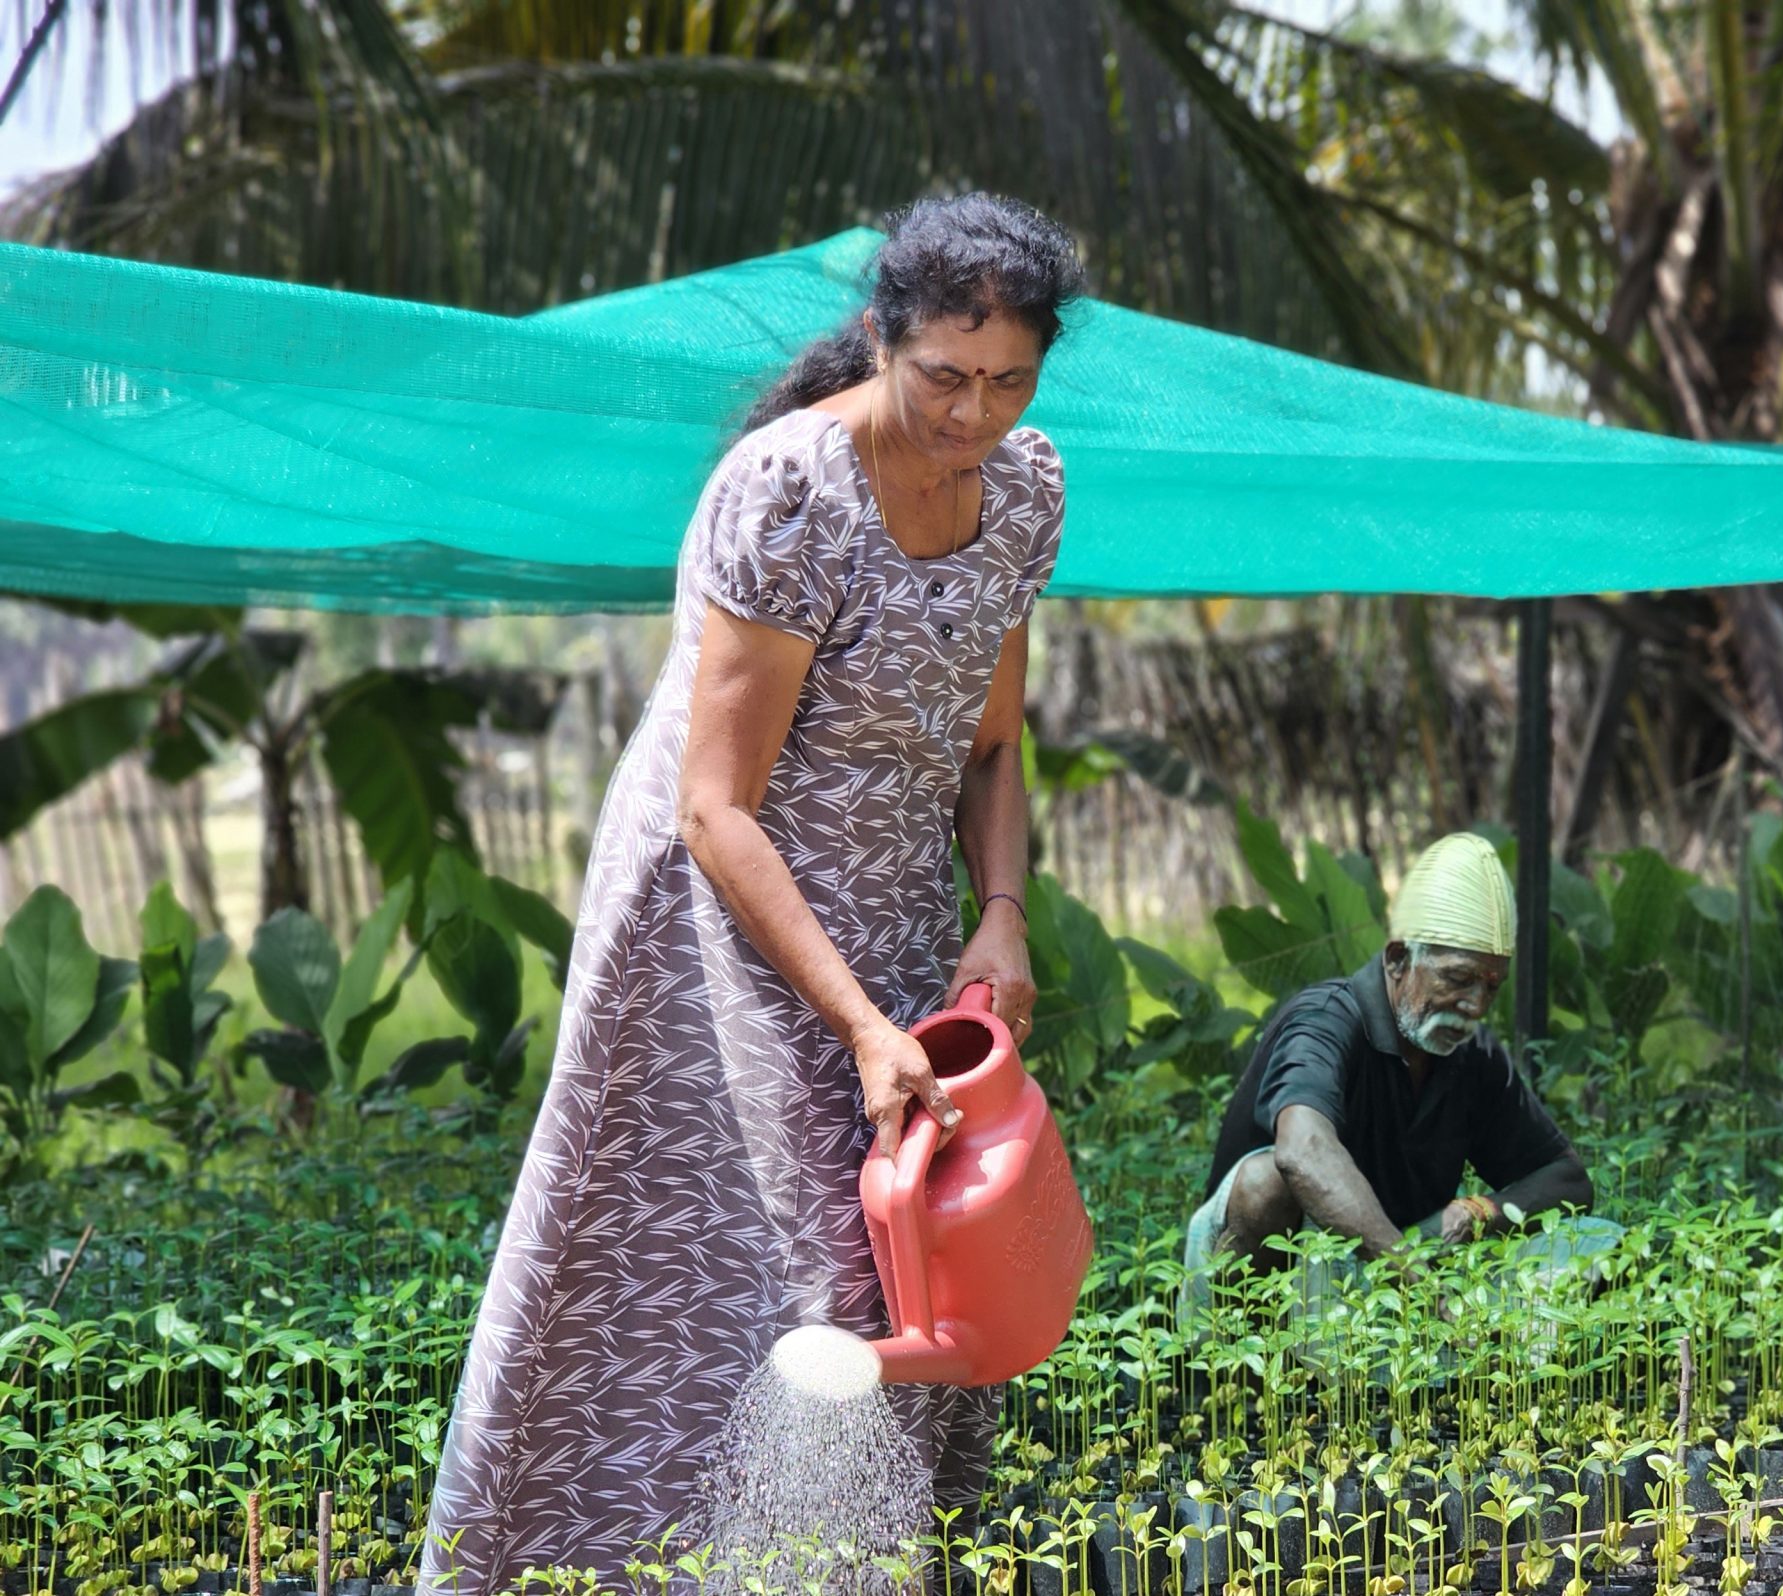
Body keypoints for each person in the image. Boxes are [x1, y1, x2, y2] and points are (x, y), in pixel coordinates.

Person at [422, 194, 1082, 1592]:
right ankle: (627, 1562)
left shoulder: (1022, 493)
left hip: (895, 902)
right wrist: (856, 1026)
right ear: (883, 343)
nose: (974, 412)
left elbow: (992, 741)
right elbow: (715, 808)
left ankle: (863, 1563)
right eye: (944, 378)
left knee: (916, 1238)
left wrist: (1004, 906)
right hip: (719, 922)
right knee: (782, 1253)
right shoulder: (792, 493)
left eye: (1009, 380)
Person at [1183, 833, 1601, 1320]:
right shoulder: (1325, 1020)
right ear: (1398, 958)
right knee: (1265, 1182)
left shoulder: (1469, 1051)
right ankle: (1245, 1386)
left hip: (1387, 1283)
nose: (1475, 1006)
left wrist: (1475, 1212)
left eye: (1492, 987)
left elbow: (1567, 1178)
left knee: (1599, 1243)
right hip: (1282, 1292)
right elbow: (1301, 1151)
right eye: (1458, 978)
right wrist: (1415, 1282)